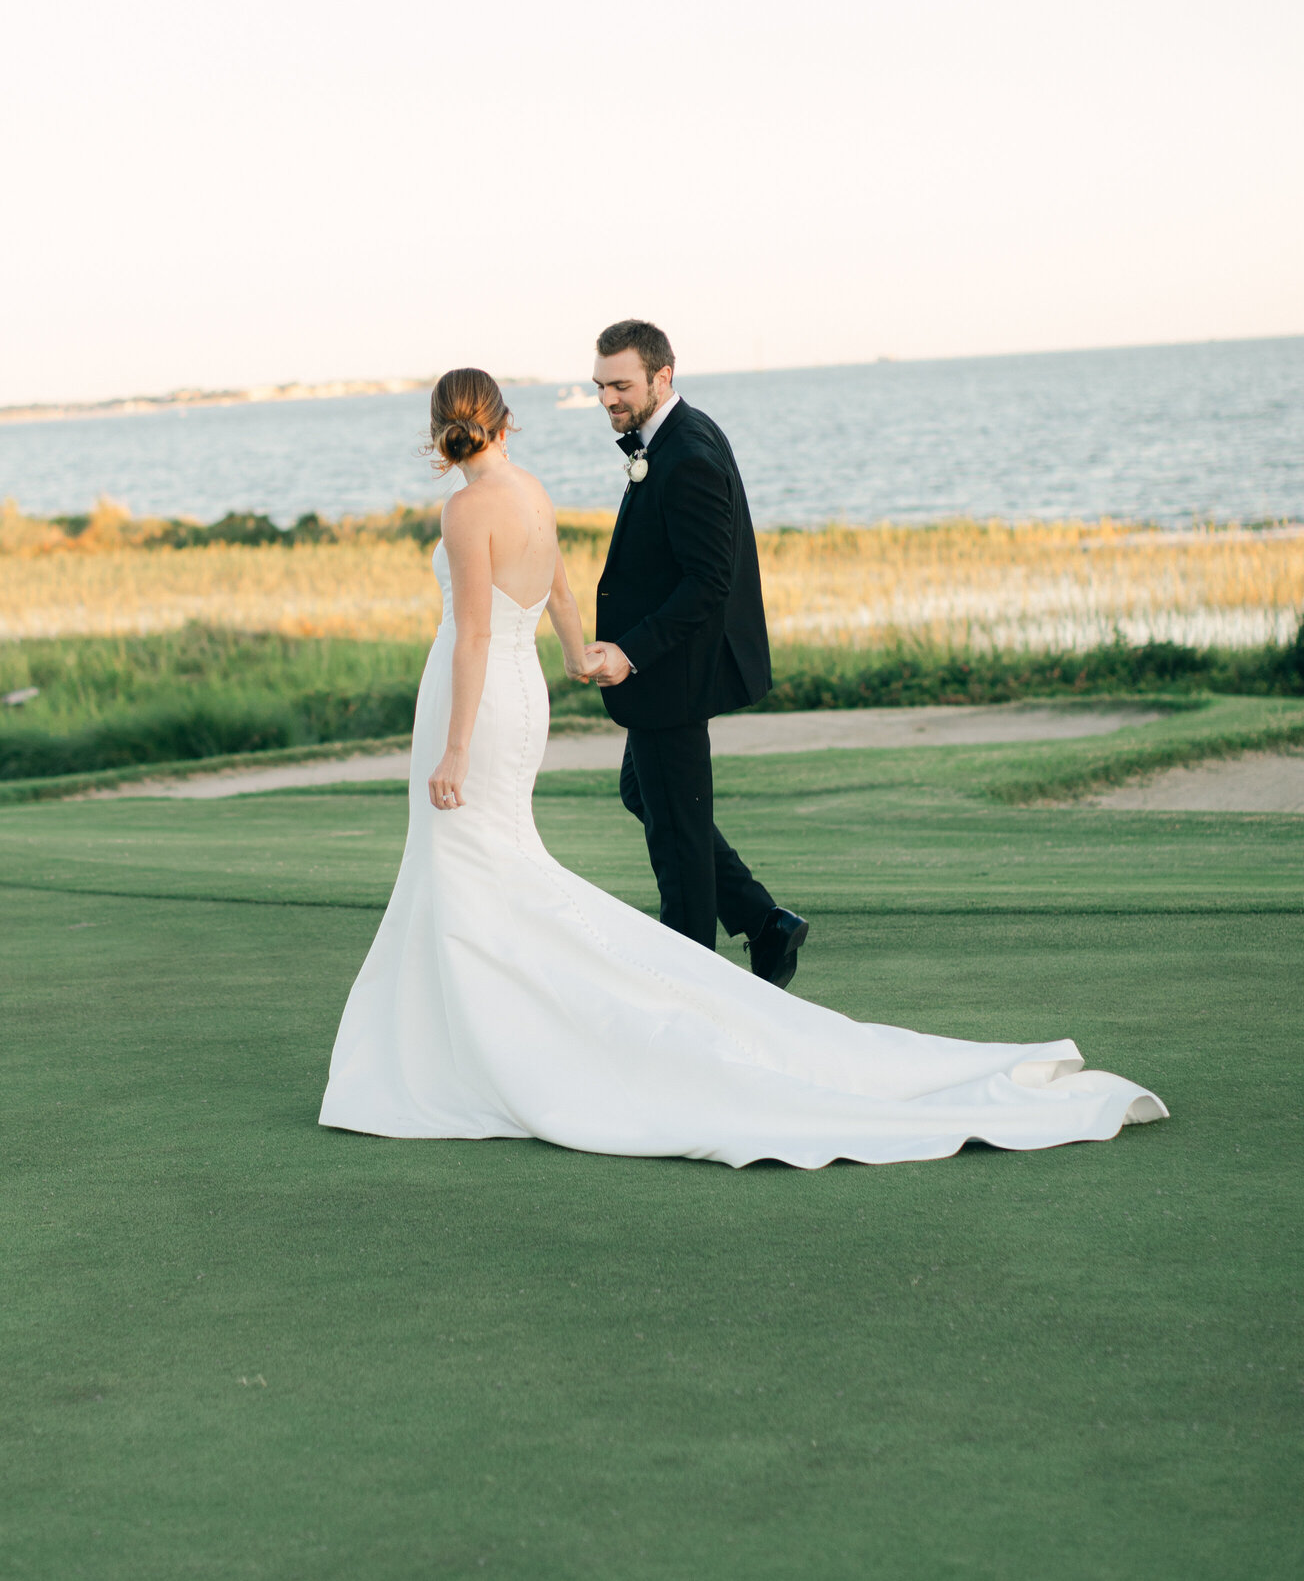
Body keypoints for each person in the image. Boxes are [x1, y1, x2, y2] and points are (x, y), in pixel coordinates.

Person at [318, 364, 1165, 1170]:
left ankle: (485, 1050)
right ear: (503, 420)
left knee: (472, 862)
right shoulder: (530, 490)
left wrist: (456, 746)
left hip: (477, 703)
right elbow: (565, 592)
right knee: (490, 863)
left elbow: (469, 633)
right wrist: (578, 656)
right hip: (522, 693)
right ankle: (481, 1037)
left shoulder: (467, 512)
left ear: (440, 432)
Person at [580, 319, 807, 984]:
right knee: (643, 794)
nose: (608, 399)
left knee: (678, 843)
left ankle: (695, 995)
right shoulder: (672, 436)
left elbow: (708, 583)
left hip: (674, 676)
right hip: (665, 679)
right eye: (600, 386)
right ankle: (766, 922)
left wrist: (631, 651)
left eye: (621, 385)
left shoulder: (690, 452)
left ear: (662, 376)